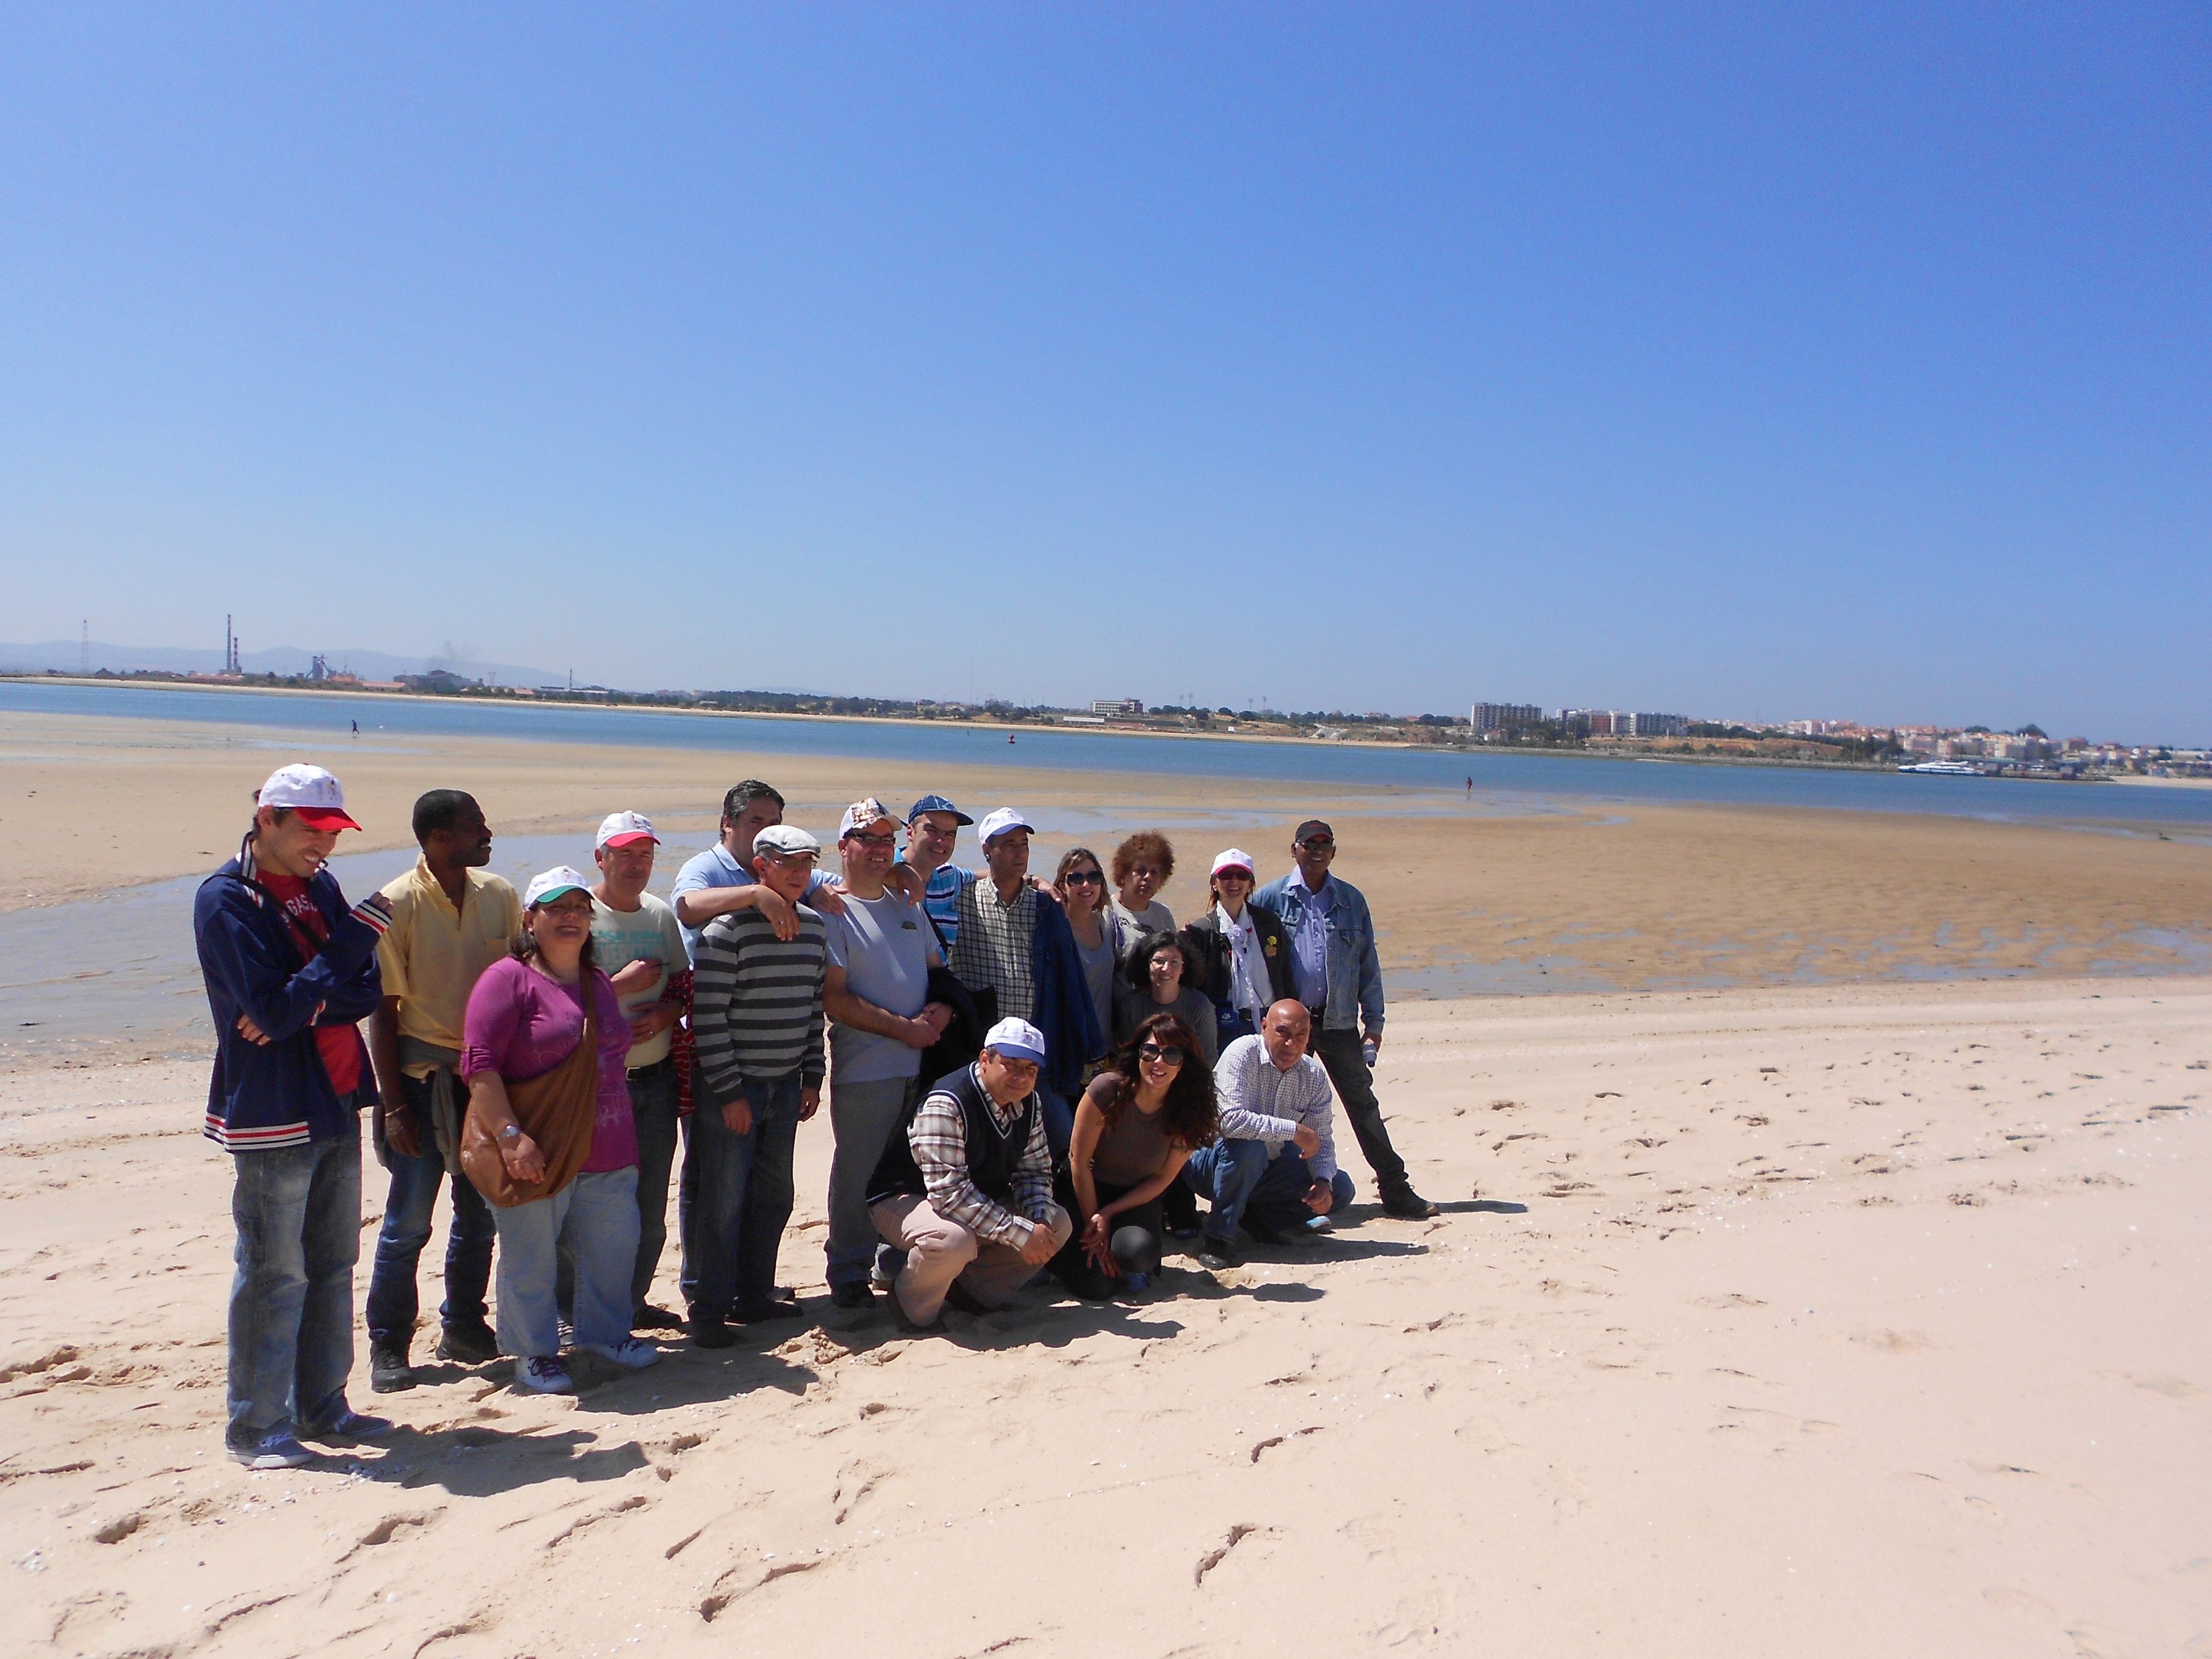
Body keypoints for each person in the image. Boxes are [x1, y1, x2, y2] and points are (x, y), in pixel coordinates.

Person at [194, 764, 393, 1467]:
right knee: (275, 1268)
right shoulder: (225, 900)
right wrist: (347, 947)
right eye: (312, 831)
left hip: (336, 1096)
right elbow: (270, 1008)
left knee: (333, 1260)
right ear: (268, 818)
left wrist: (303, 1004)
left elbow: (362, 992)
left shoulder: (320, 887)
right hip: (273, 1109)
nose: (325, 847)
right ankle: (256, 1427)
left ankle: (323, 1405)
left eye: (334, 832)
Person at [460, 869, 656, 1392]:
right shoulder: (506, 979)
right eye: (556, 909)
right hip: (538, 1143)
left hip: (610, 1141)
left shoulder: (595, 982)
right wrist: (510, 1138)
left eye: (578, 908)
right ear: (531, 919)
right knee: (531, 1256)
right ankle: (533, 1353)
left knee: (614, 1249)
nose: (570, 917)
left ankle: (605, 1335)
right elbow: (479, 1065)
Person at [361, 790, 518, 1393]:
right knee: (407, 1223)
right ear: (438, 840)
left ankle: (463, 1325)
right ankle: (389, 1345)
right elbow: (383, 1013)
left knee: (479, 1217)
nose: (488, 834)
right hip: (421, 1085)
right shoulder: (395, 903)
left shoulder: (500, 895)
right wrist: (393, 1105)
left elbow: (517, 984)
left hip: (484, 1080)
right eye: (475, 827)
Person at [684, 824, 828, 1346]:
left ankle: (754, 1295)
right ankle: (709, 1311)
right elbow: (708, 1019)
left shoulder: (813, 929)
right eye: (786, 862)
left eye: (807, 863)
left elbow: (813, 1009)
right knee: (722, 1203)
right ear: (759, 867)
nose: (798, 872)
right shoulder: (725, 932)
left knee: (774, 1196)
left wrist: (814, 1075)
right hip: (735, 1087)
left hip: (786, 1086)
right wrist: (729, 1094)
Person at [1256, 821, 1439, 1219]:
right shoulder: (1272, 898)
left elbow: (1368, 964)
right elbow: (1248, 954)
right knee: (1282, 1109)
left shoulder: (1352, 901)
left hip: (1338, 1024)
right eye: (1310, 844)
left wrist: (1374, 1021)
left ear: (1334, 853)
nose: (1318, 850)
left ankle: (1395, 1190)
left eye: (1326, 844)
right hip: (1291, 1028)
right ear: (1295, 850)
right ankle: (1277, 1196)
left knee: (1363, 1107)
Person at [821, 799, 953, 1309]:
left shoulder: (907, 904)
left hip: (918, 1067)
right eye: (866, 839)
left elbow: (936, 970)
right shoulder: (831, 909)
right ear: (843, 847)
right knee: (857, 1172)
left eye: (885, 841)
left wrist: (941, 1010)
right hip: (866, 1067)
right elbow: (836, 998)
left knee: (906, 1171)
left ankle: (886, 1258)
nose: (878, 850)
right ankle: (847, 1270)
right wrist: (904, 1030)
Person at [866, 1018, 1075, 1329]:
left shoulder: (1029, 1103)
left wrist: (1039, 1222)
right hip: (904, 1198)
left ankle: (970, 1291)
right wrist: (1022, 1233)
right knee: (952, 1240)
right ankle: (912, 1306)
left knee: (1057, 1223)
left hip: (972, 1198)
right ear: (986, 1060)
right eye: (1011, 1064)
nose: (1021, 1077)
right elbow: (949, 1194)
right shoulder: (947, 1102)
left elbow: (1034, 1172)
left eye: (1030, 1069)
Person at [946, 809, 1102, 1157]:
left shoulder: (1045, 906)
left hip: (1035, 1049)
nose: (1019, 852)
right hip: (980, 1051)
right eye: (1008, 844)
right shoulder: (963, 899)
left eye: (1023, 844)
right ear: (987, 850)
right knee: (982, 1145)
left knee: (1061, 1139)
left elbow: (1067, 979)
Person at [587, 811, 688, 1331]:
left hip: (655, 1080)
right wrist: (618, 987)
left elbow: (683, 985)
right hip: (594, 1088)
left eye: (645, 854)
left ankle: (632, 1301)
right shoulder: (575, 914)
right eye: (624, 854)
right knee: (591, 1203)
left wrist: (670, 1012)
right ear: (600, 858)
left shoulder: (660, 915)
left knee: (649, 1204)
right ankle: (576, 1311)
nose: (635, 864)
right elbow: (546, 997)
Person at [1051, 1012, 1216, 1300]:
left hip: (1136, 1196)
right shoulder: (1107, 1089)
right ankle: (1059, 1261)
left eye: (1171, 1054)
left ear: (1184, 1063)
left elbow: (1163, 1178)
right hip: (1083, 1187)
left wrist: (1109, 1213)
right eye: (1151, 1050)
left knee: (1137, 1254)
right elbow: (1078, 1162)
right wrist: (1094, 1222)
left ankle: (1123, 1258)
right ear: (1138, 1053)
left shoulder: (1190, 1110)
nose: (1158, 1062)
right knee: (1098, 1288)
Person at [1184, 1000, 1356, 1270]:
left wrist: (1323, 1181)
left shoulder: (1313, 1075)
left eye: (1301, 1035)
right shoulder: (1243, 1053)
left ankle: (1259, 1219)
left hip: (1266, 1168)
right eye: (1283, 1033)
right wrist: (1293, 1130)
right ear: (1265, 1027)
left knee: (1341, 1187)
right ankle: (1219, 1237)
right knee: (1248, 1148)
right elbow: (1229, 1122)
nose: (1292, 1044)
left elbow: (1320, 1138)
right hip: (1210, 1161)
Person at [1178, 847, 1296, 1051]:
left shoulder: (1269, 923)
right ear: (1214, 884)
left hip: (1268, 1023)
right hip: (1224, 1026)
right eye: (1226, 876)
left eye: (1242, 876)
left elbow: (1285, 973)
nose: (1234, 882)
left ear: (1250, 883)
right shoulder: (1202, 931)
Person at [1053, 846, 1135, 1068]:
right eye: (1076, 878)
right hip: (1069, 1049)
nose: (1086, 885)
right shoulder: (1056, 929)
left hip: (1105, 1047)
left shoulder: (1107, 923)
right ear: (1062, 885)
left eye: (1093, 877)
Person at [1112, 931, 1219, 1070]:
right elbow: (1128, 1056)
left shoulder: (1201, 1007)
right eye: (1159, 961)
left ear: (1183, 969)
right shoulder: (1131, 1004)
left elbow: (1207, 1061)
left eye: (1174, 962)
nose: (1166, 969)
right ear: (1147, 965)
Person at [900, 794, 975, 953]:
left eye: (950, 834)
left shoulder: (948, 876)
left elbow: (980, 875)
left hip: (937, 977)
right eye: (932, 830)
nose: (941, 841)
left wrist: (1031, 880)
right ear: (910, 832)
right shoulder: (883, 872)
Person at [1109, 831, 1177, 937]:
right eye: (1140, 871)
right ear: (1123, 875)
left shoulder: (1163, 916)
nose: (1148, 877)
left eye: (1154, 872)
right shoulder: (1107, 912)